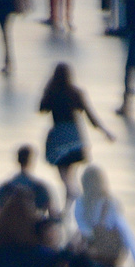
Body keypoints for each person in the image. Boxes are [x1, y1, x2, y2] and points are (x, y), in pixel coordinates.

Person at [38, 64, 113, 203]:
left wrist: (47, 87)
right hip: (75, 134)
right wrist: (105, 131)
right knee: (71, 170)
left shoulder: (52, 92)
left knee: (62, 169)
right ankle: (71, 194)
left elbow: (41, 108)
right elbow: (91, 116)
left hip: (59, 134)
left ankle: (71, 191)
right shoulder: (76, 92)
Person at [0, 145, 53, 216]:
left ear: (18, 160)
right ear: (31, 160)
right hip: (33, 225)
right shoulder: (39, 187)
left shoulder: (5, 187)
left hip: (11, 224)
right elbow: (51, 213)